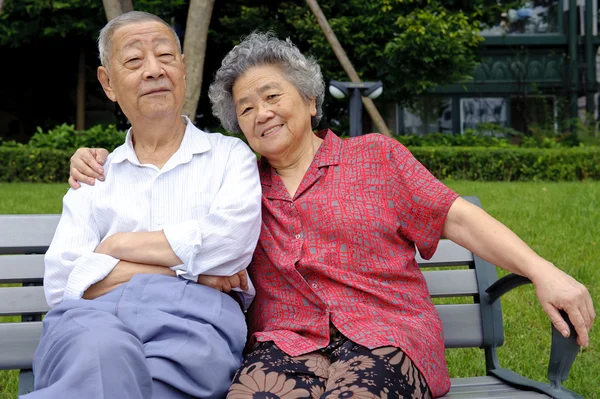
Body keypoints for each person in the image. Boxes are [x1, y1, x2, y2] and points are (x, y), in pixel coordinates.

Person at [70, 32, 595, 398]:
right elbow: (171, 188)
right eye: (245, 109)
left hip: (387, 336)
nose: (261, 113)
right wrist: (92, 159)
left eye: (272, 96)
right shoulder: (241, 181)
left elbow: (455, 218)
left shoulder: (376, 158)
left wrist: (542, 271)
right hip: (285, 344)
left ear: (311, 100)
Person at [26, 12, 262, 399]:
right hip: (91, 321)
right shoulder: (95, 172)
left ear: (183, 69)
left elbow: (228, 246)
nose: (154, 70)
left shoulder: (229, 156)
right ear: (108, 83)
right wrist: (194, 274)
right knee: (102, 352)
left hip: (193, 324)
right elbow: (62, 281)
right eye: (134, 61)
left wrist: (114, 247)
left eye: (166, 56)